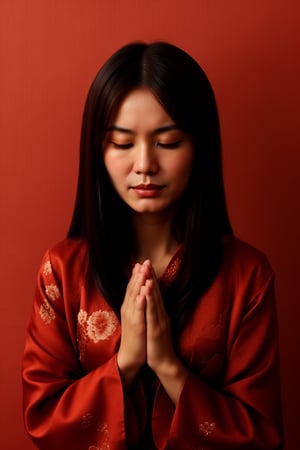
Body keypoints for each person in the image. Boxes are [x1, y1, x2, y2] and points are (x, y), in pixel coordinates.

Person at [22, 41, 283, 450]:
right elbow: (42, 420)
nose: (144, 163)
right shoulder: (61, 269)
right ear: (98, 151)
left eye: (168, 142)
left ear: (200, 148)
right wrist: (125, 362)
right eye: (123, 144)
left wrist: (167, 366)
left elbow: (262, 435)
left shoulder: (247, 275)